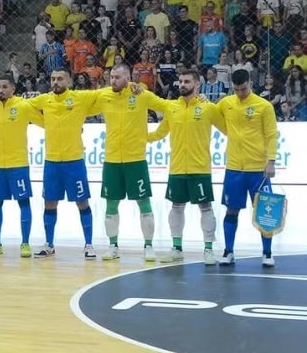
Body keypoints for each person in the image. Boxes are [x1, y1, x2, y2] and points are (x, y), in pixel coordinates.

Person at [147, 69, 227, 265]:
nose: (182, 84)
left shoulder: (208, 108)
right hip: (176, 168)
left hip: (200, 168)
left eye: (187, 81)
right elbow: (159, 134)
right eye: (181, 81)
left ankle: (208, 250)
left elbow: (228, 129)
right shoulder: (172, 108)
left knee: (205, 208)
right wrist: (139, 137)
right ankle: (176, 249)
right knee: (176, 207)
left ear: (197, 84)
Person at [94, 64, 172, 261]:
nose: (113, 80)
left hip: (135, 160)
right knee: (111, 204)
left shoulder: (141, 94)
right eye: (111, 77)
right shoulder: (104, 95)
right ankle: (113, 246)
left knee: (143, 202)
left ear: (128, 78)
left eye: (117, 77)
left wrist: (155, 135)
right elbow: (79, 105)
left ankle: (148, 246)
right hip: (111, 160)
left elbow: (170, 108)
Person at [28, 69, 102, 259]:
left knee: (82, 202)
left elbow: (105, 94)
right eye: (53, 79)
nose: (55, 82)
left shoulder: (80, 98)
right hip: (51, 162)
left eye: (60, 79)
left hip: (74, 161)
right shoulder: (45, 99)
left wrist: (130, 87)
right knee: (49, 202)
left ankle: (89, 244)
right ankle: (49, 244)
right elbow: (22, 106)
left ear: (69, 81)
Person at [216, 69, 279, 266]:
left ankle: (267, 253)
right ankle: (228, 251)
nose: (240, 93)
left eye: (243, 89)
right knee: (231, 210)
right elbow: (212, 115)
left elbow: (271, 135)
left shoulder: (264, 106)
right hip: (234, 168)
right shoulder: (226, 103)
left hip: (258, 170)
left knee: (265, 212)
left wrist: (271, 161)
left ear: (250, 83)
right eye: (236, 90)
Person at [0, 75, 43, 257]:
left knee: (23, 202)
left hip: (18, 164)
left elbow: (44, 121)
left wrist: (73, 127)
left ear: (13, 89)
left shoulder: (23, 106)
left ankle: (25, 243)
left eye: (4, 87)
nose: (0, 90)